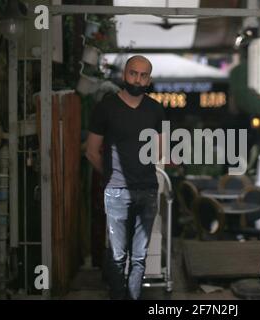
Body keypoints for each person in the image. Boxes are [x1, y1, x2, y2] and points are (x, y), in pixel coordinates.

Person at [85, 55, 165, 300]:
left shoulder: (156, 109)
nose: (137, 79)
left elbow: (159, 151)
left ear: (148, 80)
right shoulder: (106, 107)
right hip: (117, 191)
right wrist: (112, 175)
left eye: (143, 75)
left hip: (148, 190)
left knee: (139, 258)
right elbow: (91, 151)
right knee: (118, 256)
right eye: (133, 73)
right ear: (124, 75)